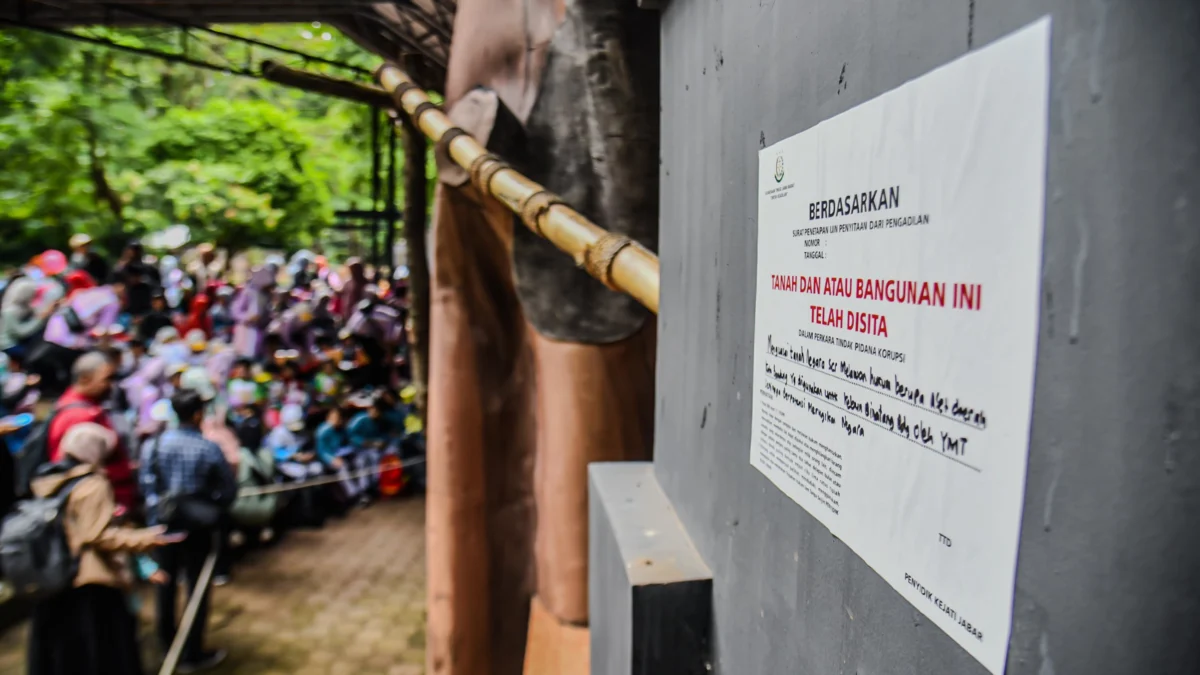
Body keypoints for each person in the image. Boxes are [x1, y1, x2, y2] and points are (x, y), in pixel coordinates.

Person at [27, 423, 180, 675]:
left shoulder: (48, 479)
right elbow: (98, 535)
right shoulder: (91, 484)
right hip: (90, 580)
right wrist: (143, 539)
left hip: (57, 576)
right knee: (102, 649)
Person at [142, 390, 236, 673]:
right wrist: (207, 506)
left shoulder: (153, 446)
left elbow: (147, 489)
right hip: (197, 530)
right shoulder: (208, 448)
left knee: (165, 586)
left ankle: (168, 644)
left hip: (162, 527)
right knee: (197, 589)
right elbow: (228, 492)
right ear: (197, 415)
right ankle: (192, 652)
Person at [47, 351, 137, 512]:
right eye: (107, 379)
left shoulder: (89, 408)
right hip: (103, 508)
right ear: (84, 379)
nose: (111, 385)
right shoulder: (78, 416)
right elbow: (76, 472)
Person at [0, 278, 56, 360]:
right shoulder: (9, 311)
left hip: (18, 342)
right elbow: (21, 332)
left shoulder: (24, 307)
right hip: (9, 345)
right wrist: (40, 318)